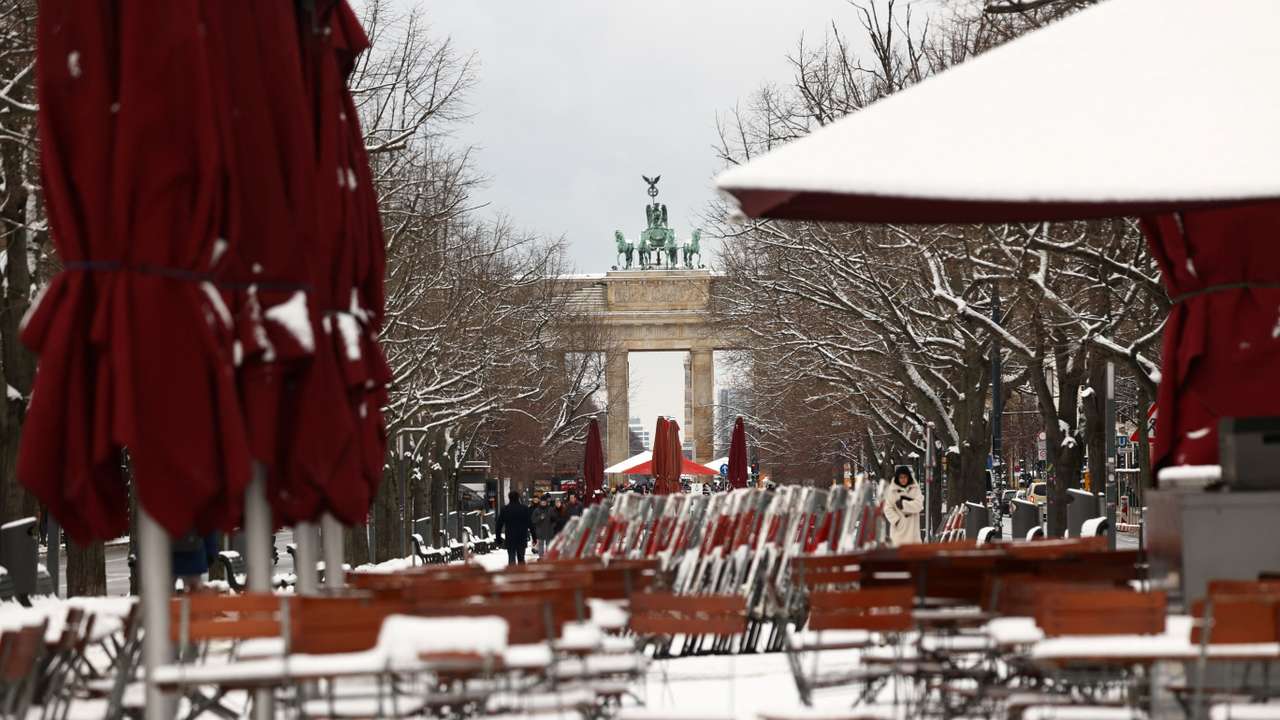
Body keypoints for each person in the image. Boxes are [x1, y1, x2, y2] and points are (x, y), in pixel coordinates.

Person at [884, 466, 924, 546]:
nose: (903, 479)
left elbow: (919, 505)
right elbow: (887, 508)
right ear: (897, 478)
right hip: (899, 531)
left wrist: (903, 504)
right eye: (901, 477)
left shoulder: (915, 489)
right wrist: (897, 521)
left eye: (905, 477)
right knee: (899, 554)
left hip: (913, 531)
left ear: (909, 477)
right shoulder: (892, 490)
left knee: (913, 555)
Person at [495, 491, 533, 565]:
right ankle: (521, 573)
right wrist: (534, 536)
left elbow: (499, 525)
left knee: (511, 557)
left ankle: (512, 573)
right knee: (521, 558)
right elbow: (530, 524)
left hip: (510, 537)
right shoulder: (524, 509)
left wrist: (498, 538)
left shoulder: (505, 509)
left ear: (509, 498)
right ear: (518, 498)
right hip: (522, 537)